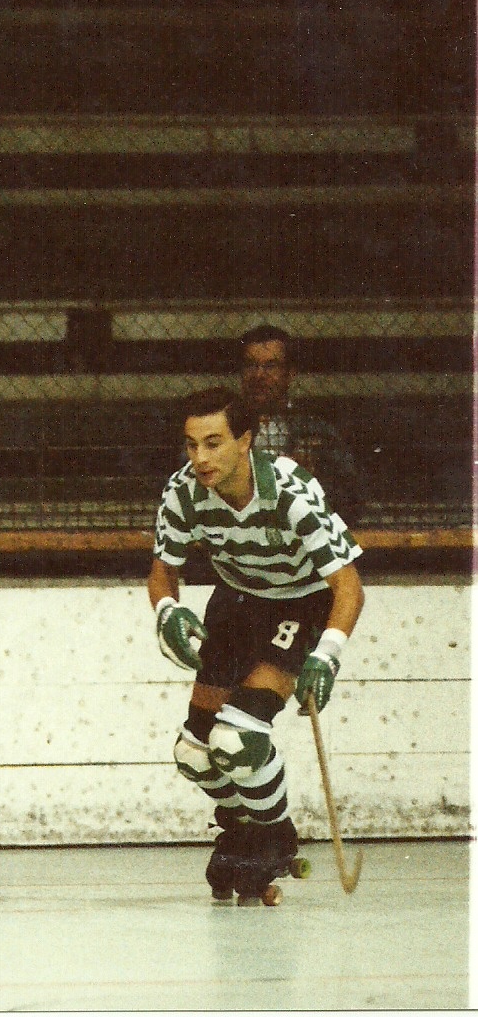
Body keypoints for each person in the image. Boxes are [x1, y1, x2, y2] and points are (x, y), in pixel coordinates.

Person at [148, 386, 364, 904]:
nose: (200, 457)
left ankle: (274, 835)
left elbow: (349, 587)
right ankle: (241, 829)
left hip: (300, 603)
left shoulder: (291, 493)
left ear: (245, 440)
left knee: (238, 740)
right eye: (192, 444)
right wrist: (167, 611)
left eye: (214, 443)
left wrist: (327, 654)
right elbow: (162, 571)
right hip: (236, 602)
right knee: (194, 753)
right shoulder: (182, 491)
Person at [238, 324, 367, 526]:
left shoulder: (317, 431)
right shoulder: (223, 426)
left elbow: (353, 500)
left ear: (290, 374)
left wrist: (313, 480)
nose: (259, 375)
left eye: (271, 366)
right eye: (251, 365)